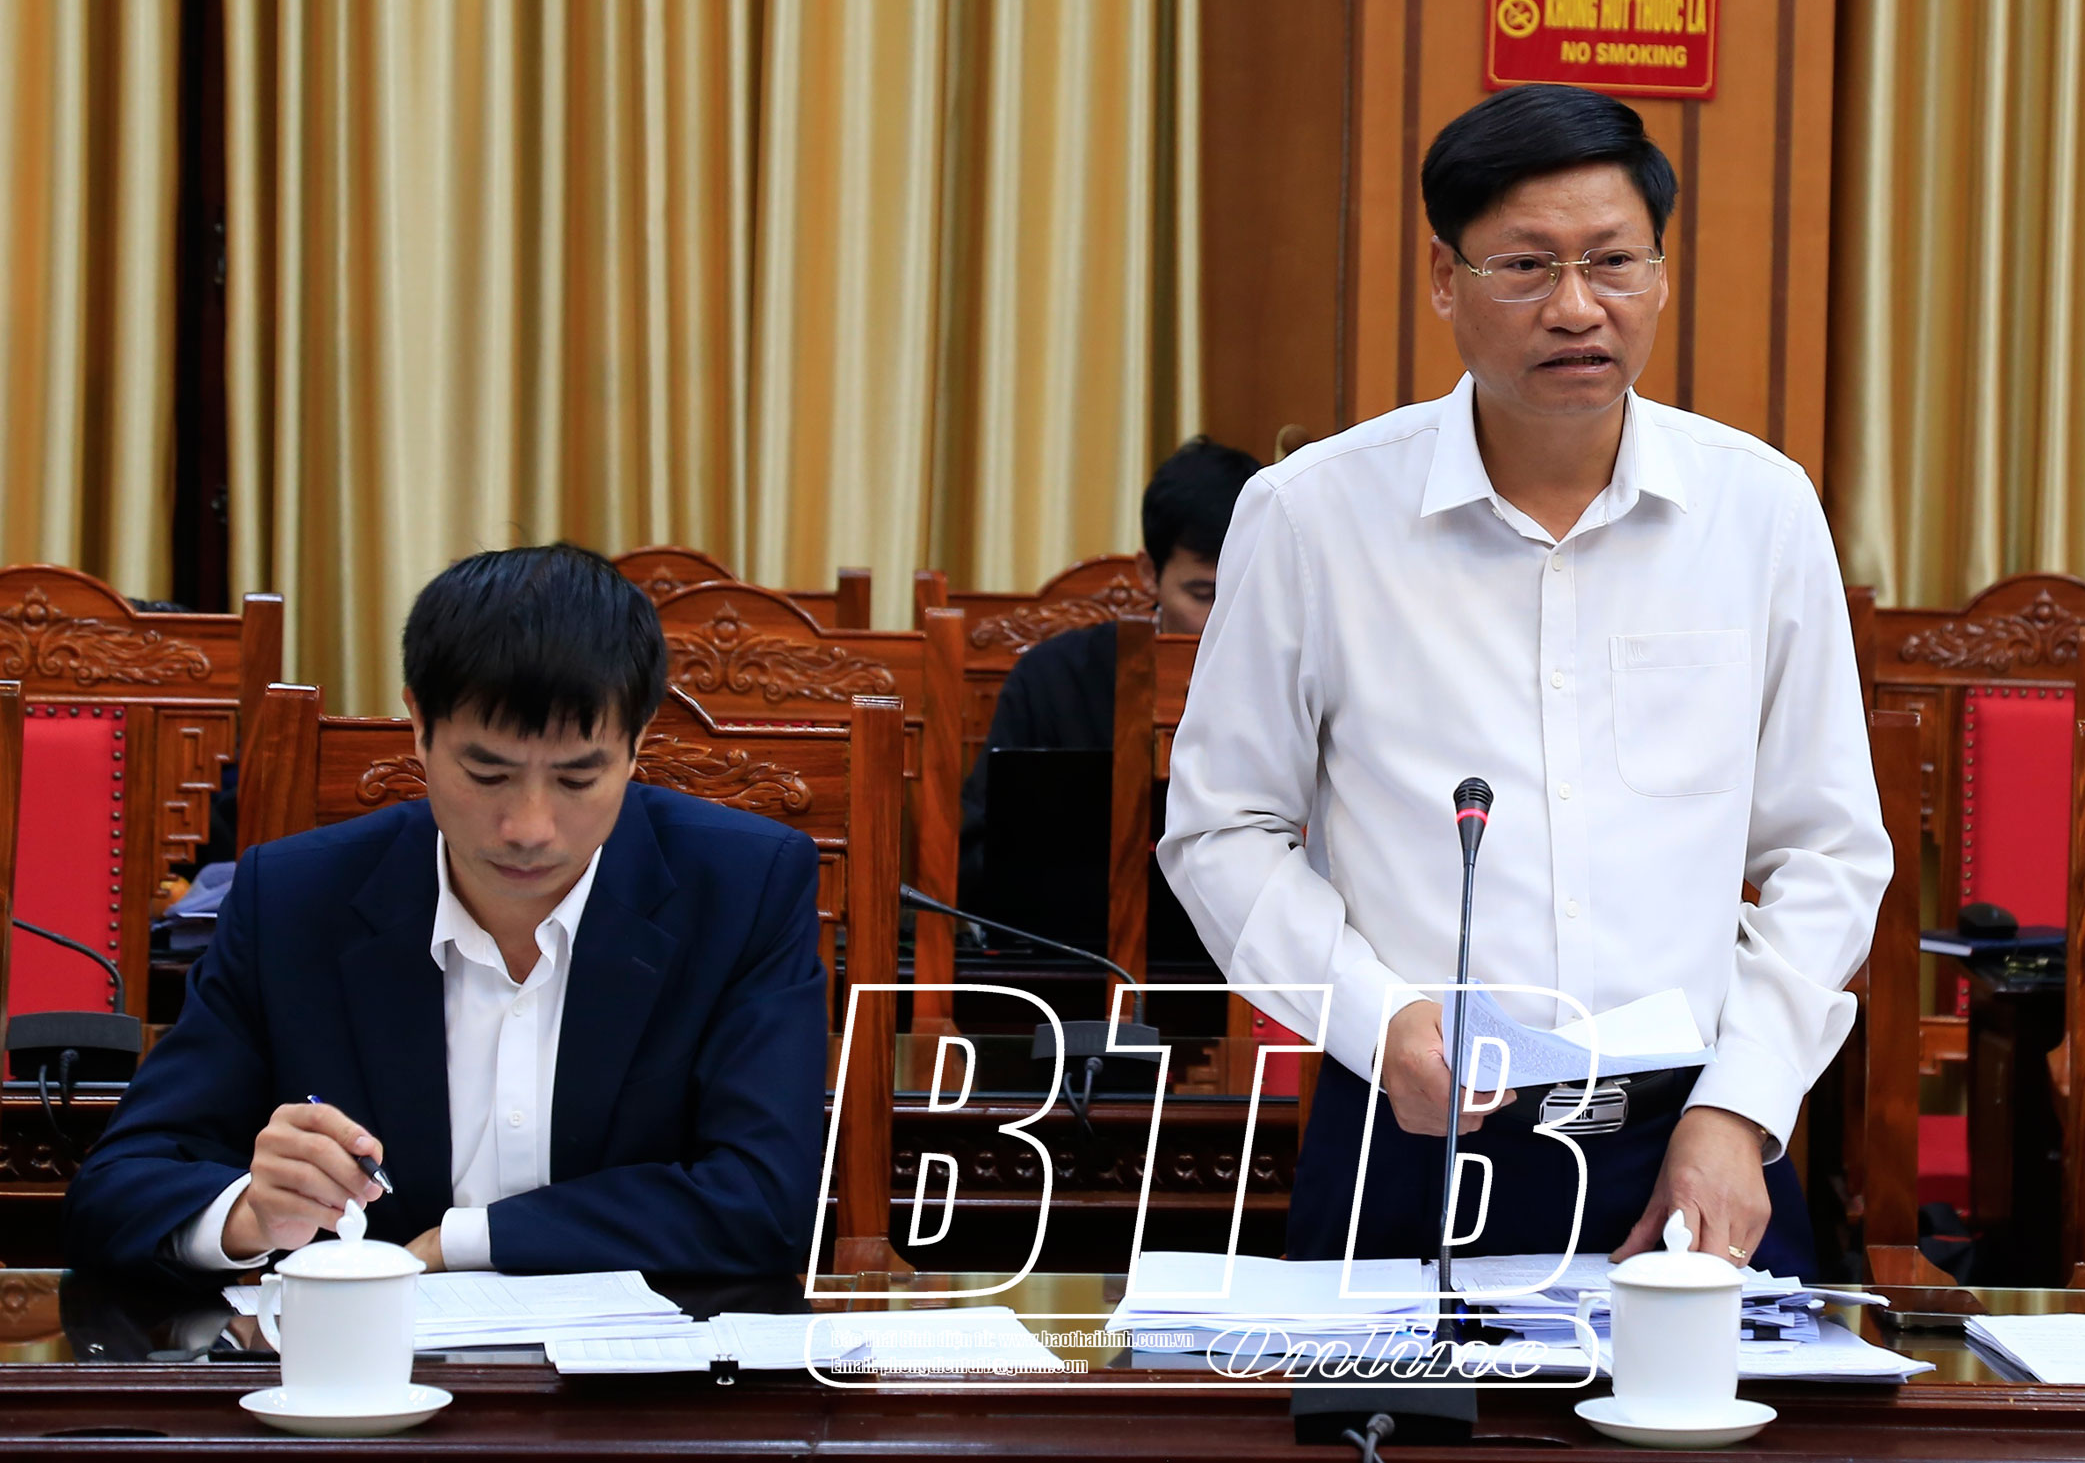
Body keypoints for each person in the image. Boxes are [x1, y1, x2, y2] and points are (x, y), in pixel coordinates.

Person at [1159, 84, 1888, 1275]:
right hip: (1414, 1128)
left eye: (1613, 261)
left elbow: (1829, 850)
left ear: (1660, 273)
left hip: (1689, 1141)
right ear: (1444, 278)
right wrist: (1377, 1018)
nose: (1576, 307)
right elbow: (1221, 828)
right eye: (1525, 266)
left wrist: (1742, 1102)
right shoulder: (1312, 517)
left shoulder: (1759, 510)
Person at [67, 545, 829, 1283]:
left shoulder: (743, 891)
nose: (529, 828)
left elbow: (766, 1201)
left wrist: (462, 1241)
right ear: (419, 724)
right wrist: (249, 1213)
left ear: (637, 744)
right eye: (487, 773)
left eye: (577, 779)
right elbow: (118, 1186)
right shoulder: (294, 901)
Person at [954, 436, 1261, 887]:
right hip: (1076, 925)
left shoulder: (1299, 677)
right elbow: (979, 856)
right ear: (1149, 573)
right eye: (1203, 594)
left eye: (1245, 591)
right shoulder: (1052, 680)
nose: (1224, 619)